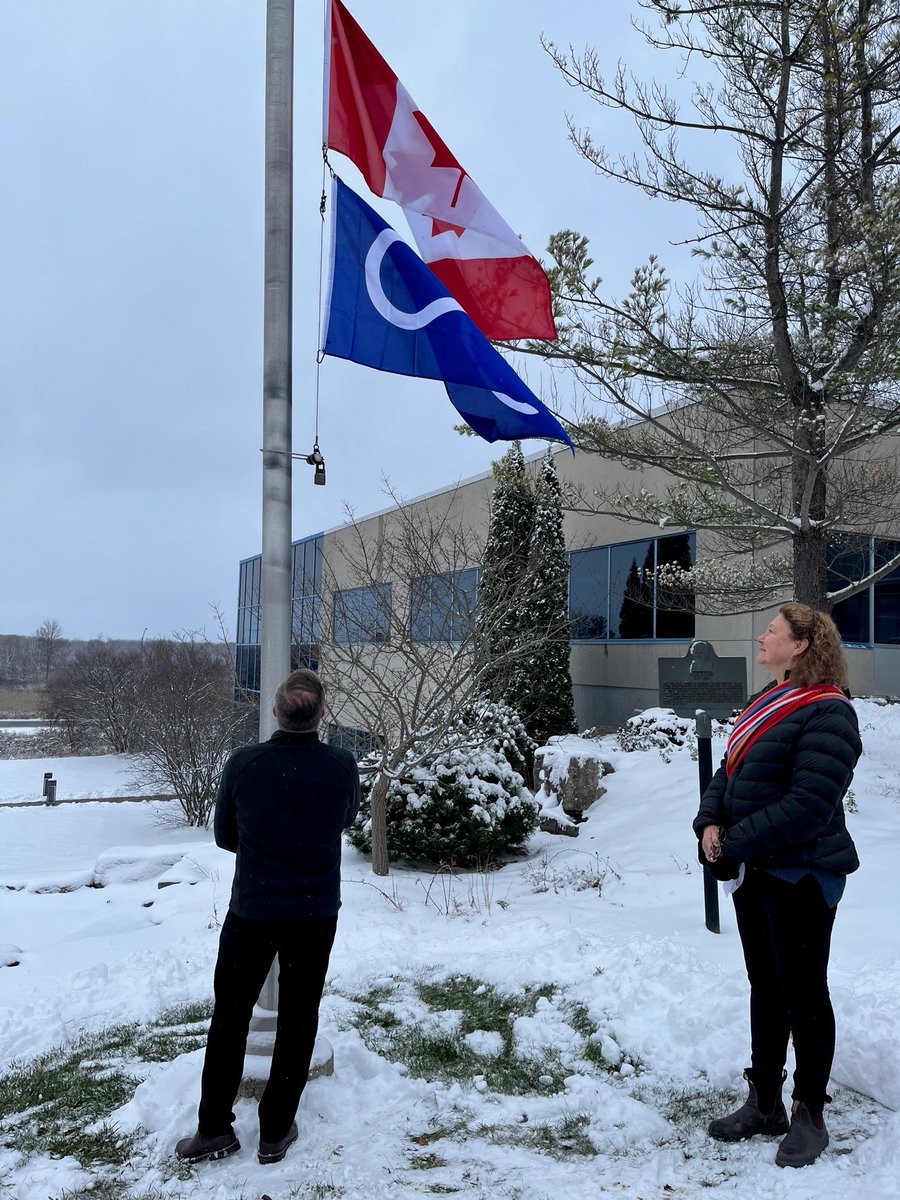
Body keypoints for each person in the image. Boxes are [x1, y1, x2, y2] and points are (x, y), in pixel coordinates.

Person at [693, 603, 861, 1169]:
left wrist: (733, 841)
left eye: (772, 630)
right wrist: (709, 824)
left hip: (803, 872)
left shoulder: (829, 712)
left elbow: (810, 804)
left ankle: (810, 1113)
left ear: (802, 645)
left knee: (803, 993)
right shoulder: (768, 699)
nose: (761, 636)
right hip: (756, 871)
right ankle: (764, 1102)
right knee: (765, 986)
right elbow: (729, 771)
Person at [175, 668, 360, 1167]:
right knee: (299, 1019)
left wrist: (265, 846)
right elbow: (345, 820)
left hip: (252, 911)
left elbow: (225, 836)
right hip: (314, 914)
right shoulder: (342, 765)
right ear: (322, 716)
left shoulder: (244, 763)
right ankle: (275, 1132)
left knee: (230, 1017)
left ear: (275, 712)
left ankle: (214, 1129)